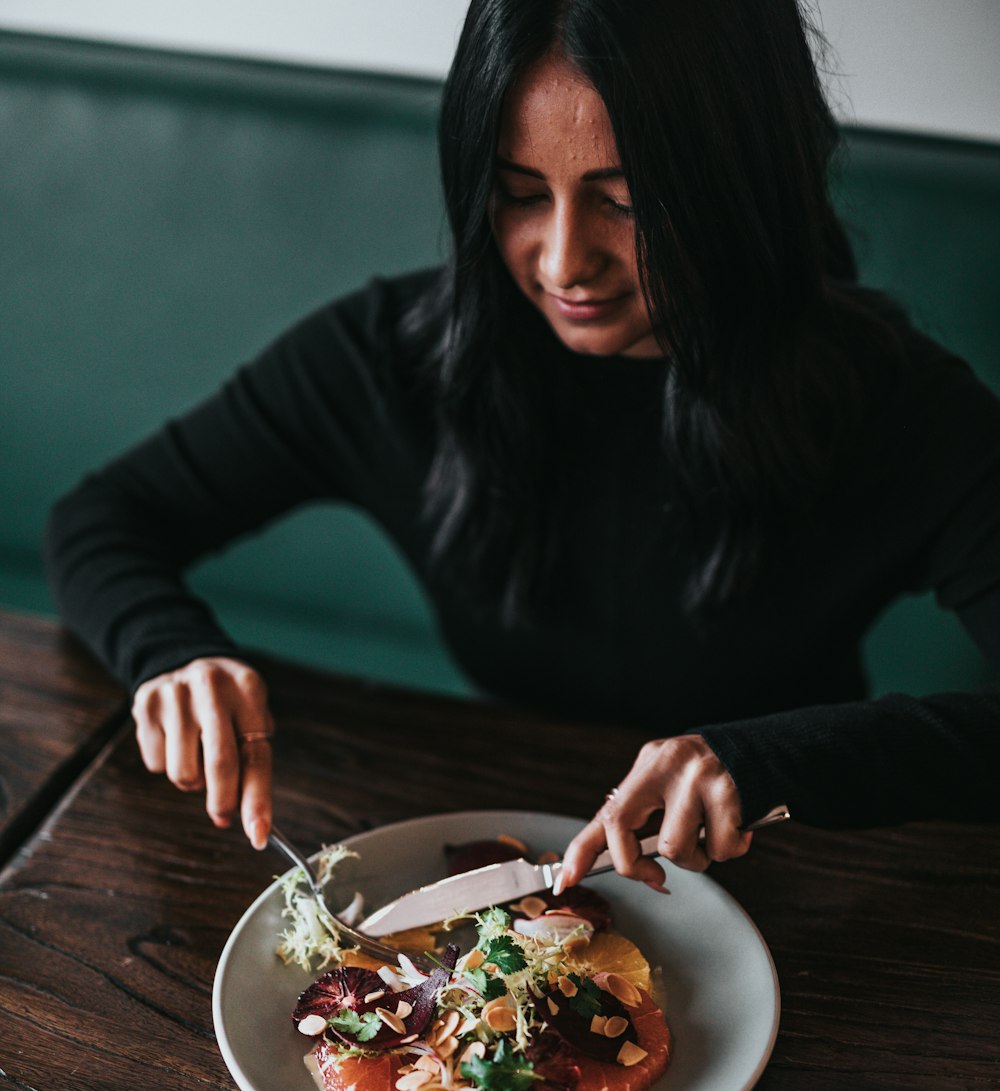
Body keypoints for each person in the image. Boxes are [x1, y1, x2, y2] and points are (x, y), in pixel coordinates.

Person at [45, 0, 1000, 892]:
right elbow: (102, 519)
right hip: (498, 853)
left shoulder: (893, 401)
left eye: (627, 202)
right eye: (517, 193)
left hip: (804, 879)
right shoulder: (394, 357)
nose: (561, 261)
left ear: (740, 182)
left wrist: (770, 760)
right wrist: (171, 654)